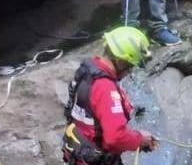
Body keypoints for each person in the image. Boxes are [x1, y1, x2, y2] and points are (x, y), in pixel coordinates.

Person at [61, 26, 158, 164]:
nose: (129, 72)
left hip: (79, 155)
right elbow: (115, 138)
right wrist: (140, 140)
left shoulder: (87, 71)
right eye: (130, 67)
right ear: (120, 61)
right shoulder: (105, 88)